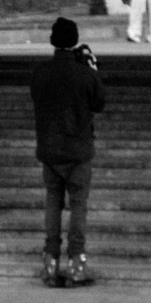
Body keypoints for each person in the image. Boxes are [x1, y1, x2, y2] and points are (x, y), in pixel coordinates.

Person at [30, 17, 106, 286]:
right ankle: (77, 264)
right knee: (78, 206)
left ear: (53, 41)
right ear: (75, 40)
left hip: (49, 149)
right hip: (78, 151)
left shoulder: (41, 73)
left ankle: (50, 262)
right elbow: (99, 103)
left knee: (53, 202)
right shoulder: (84, 73)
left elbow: (37, 99)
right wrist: (93, 70)